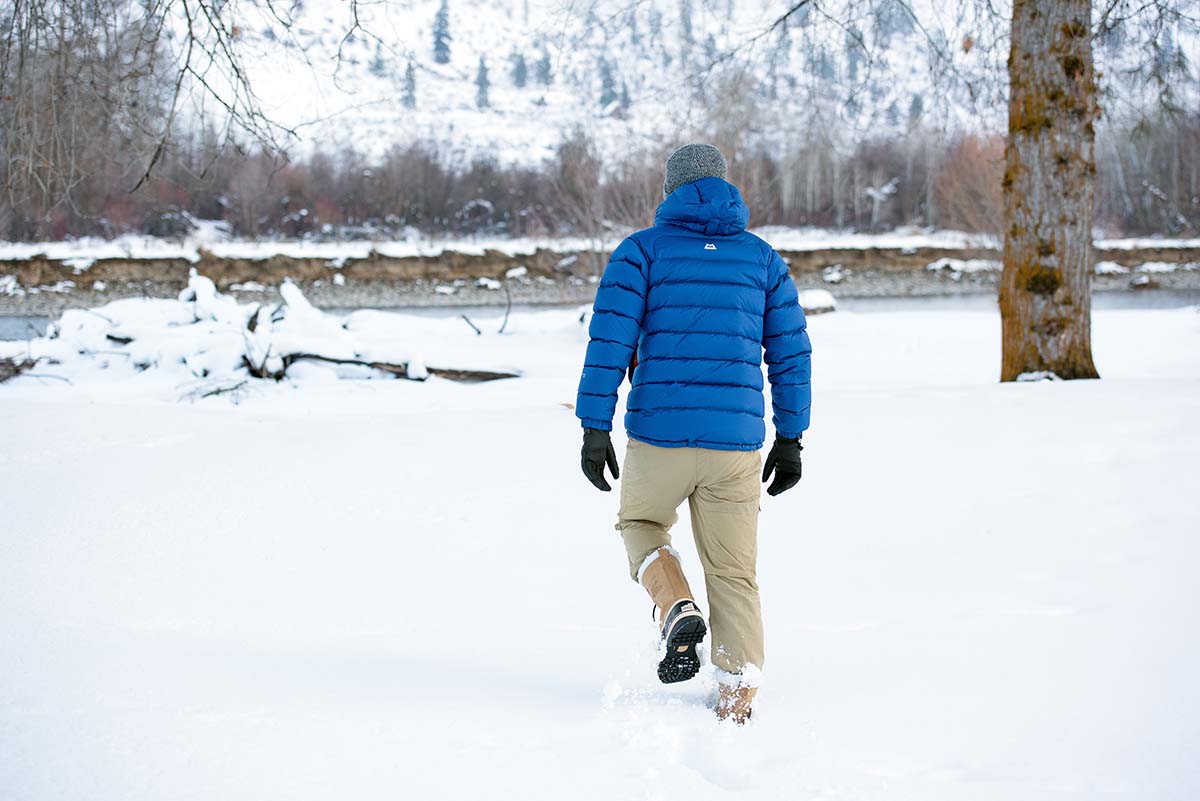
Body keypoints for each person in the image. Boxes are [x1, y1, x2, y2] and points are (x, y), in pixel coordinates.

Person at [575, 144, 812, 724]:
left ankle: (676, 604)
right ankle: (737, 700)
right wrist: (791, 437)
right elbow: (790, 355)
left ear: (670, 190)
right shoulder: (761, 259)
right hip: (735, 447)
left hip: (659, 438)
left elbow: (609, 345)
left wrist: (593, 427)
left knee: (640, 523)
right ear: (725, 189)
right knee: (734, 572)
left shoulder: (641, 253)